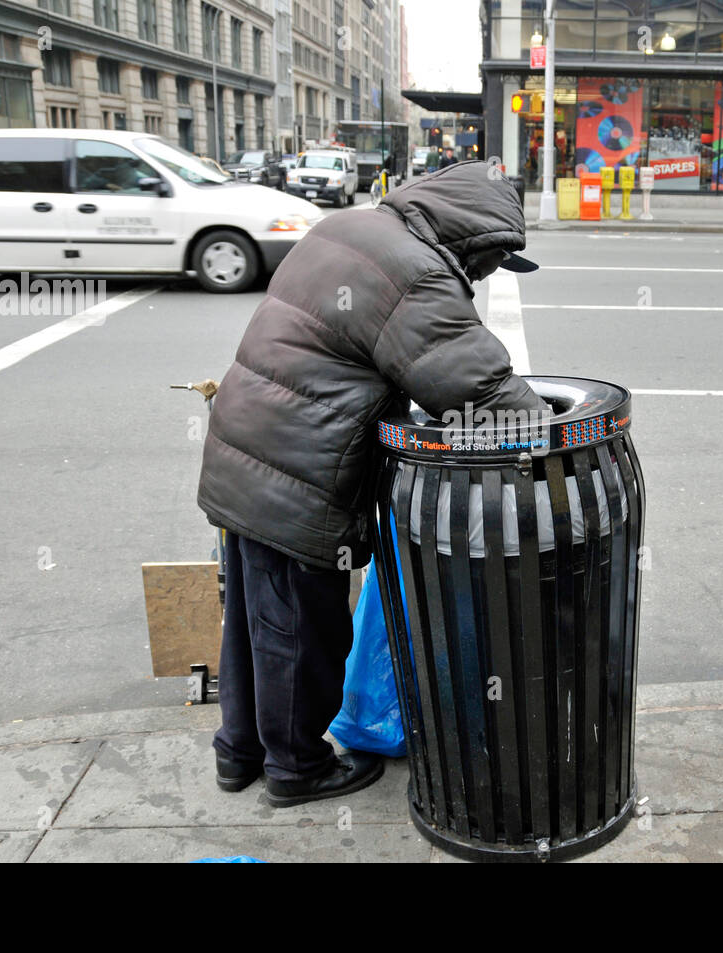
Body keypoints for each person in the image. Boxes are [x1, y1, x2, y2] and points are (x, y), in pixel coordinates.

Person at [197, 161, 545, 808]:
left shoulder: (350, 227)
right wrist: (548, 427)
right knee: (303, 635)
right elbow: (478, 388)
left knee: (252, 626)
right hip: (295, 475)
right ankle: (297, 767)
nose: (484, 274)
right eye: (490, 259)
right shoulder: (413, 273)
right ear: (470, 232)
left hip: (243, 447)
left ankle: (239, 752)